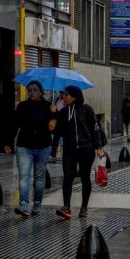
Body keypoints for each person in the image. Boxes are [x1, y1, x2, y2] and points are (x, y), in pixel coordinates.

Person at [53, 85, 104, 219]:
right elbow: (58, 132)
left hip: (86, 149)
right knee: (68, 176)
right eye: (63, 95)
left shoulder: (86, 109)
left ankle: (84, 207)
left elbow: (95, 128)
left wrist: (98, 147)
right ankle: (66, 207)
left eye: (66, 95)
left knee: (85, 177)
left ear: (74, 97)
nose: (64, 97)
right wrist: (54, 116)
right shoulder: (63, 112)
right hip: (69, 150)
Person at [5, 81, 53, 216]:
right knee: (24, 176)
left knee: (39, 177)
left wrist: (55, 114)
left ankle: (37, 202)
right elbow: (14, 125)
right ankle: (23, 204)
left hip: (43, 146)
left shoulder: (48, 106)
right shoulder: (22, 106)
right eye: (30, 90)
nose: (32, 92)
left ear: (41, 92)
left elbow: (54, 127)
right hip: (24, 146)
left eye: (35, 90)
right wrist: (8, 142)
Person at [51, 91, 66, 159]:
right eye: (60, 93)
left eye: (62, 93)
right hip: (57, 121)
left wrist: (56, 110)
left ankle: (65, 152)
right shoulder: (57, 99)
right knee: (56, 137)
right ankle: (53, 152)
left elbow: (64, 112)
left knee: (64, 138)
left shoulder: (66, 101)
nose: (61, 94)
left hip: (63, 122)